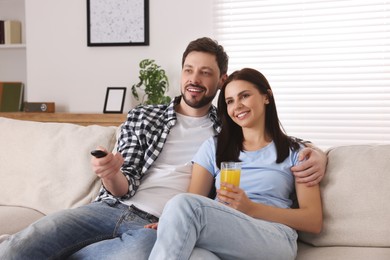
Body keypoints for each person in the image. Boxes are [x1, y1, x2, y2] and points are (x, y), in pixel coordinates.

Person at [0, 38, 325, 260]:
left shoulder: (225, 130)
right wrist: (111, 173)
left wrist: (319, 152)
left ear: (220, 79)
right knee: (22, 246)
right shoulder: (146, 117)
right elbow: (123, 184)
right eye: (189, 70)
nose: (194, 79)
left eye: (206, 73)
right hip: (112, 207)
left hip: (159, 226)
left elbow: (268, 139)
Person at [148, 68, 323, 260]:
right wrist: (173, 223)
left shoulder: (296, 152)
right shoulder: (213, 147)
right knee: (196, 256)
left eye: (244, 96)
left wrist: (251, 209)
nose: (237, 106)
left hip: (273, 237)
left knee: (183, 204)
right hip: (223, 231)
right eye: (230, 101)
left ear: (266, 97)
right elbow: (194, 200)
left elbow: (313, 220)